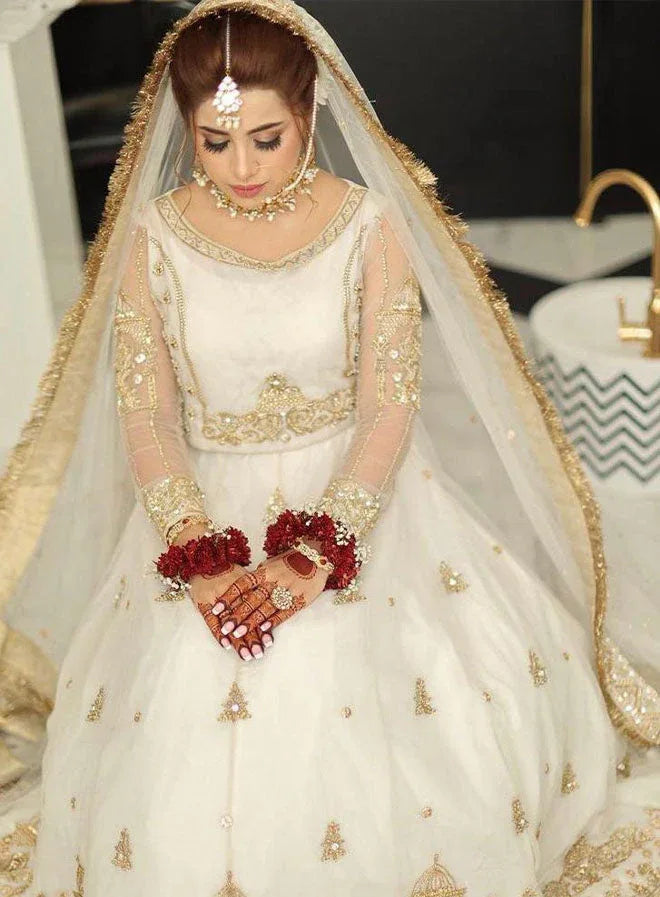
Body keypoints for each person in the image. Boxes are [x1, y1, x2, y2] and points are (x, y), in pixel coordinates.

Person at [0, 1, 658, 894]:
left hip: (358, 493)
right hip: (206, 502)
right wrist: (194, 553)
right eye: (215, 141)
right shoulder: (155, 237)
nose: (241, 167)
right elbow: (147, 415)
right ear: (185, 129)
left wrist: (318, 550)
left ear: (310, 111)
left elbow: (389, 405)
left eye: (266, 139)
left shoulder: (367, 226)